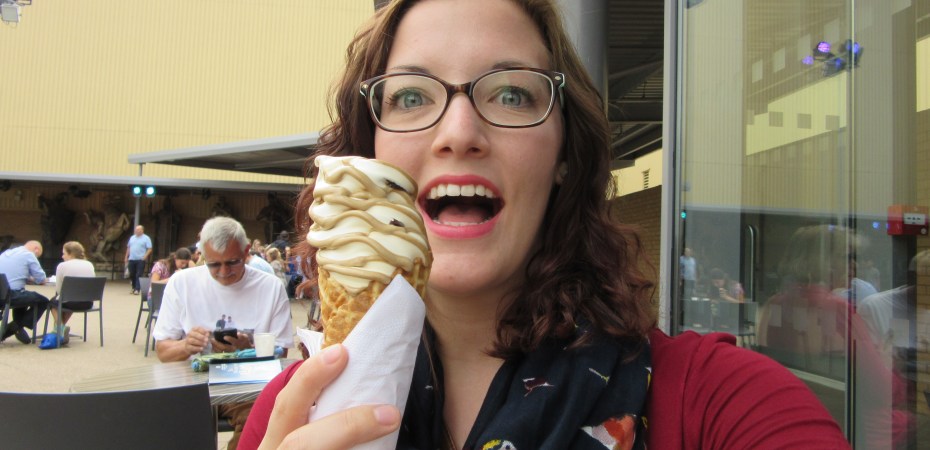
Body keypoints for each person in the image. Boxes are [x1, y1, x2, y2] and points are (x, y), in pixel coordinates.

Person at [239, 1, 848, 449]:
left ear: (564, 156)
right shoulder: (291, 415)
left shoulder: (722, 405)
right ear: (368, 151)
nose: (459, 133)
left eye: (511, 94)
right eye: (411, 96)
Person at [152, 216, 294, 450]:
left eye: (233, 262)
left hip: (246, 386)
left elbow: (281, 355)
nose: (224, 272)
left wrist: (248, 350)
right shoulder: (181, 283)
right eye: (214, 265)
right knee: (166, 423)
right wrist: (186, 346)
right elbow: (163, 351)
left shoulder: (270, 287)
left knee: (263, 419)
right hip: (191, 384)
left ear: (246, 252)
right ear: (202, 256)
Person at [0, 240, 49, 344]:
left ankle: (18, 327)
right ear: (36, 250)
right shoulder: (29, 255)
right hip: (10, 296)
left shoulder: (6, 253)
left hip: (1, 294)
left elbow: (11, 274)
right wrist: (40, 280)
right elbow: (41, 278)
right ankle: (14, 327)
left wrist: (27, 278)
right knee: (43, 301)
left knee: (24, 295)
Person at [48, 241, 96, 344]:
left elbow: (59, 290)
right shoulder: (89, 265)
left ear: (71, 254)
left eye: (64, 253)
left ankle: (59, 328)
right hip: (87, 302)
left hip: (70, 301)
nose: (62, 256)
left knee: (54, 302)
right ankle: (60, 329)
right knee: (68, 298)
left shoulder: (62, 266)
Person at [124, 225, 152, 295]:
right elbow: (128, 247)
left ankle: (137, 289)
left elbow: (149, 248)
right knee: (132, 274)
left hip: (140, 259)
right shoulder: (132, 238)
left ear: (142, 230)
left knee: (139, 274)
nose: (136, 231)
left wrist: (145, 256)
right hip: (132, 259)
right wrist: (126, 257)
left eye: (138, 229)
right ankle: (133, 287)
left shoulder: (146, 238)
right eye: (136, 229)